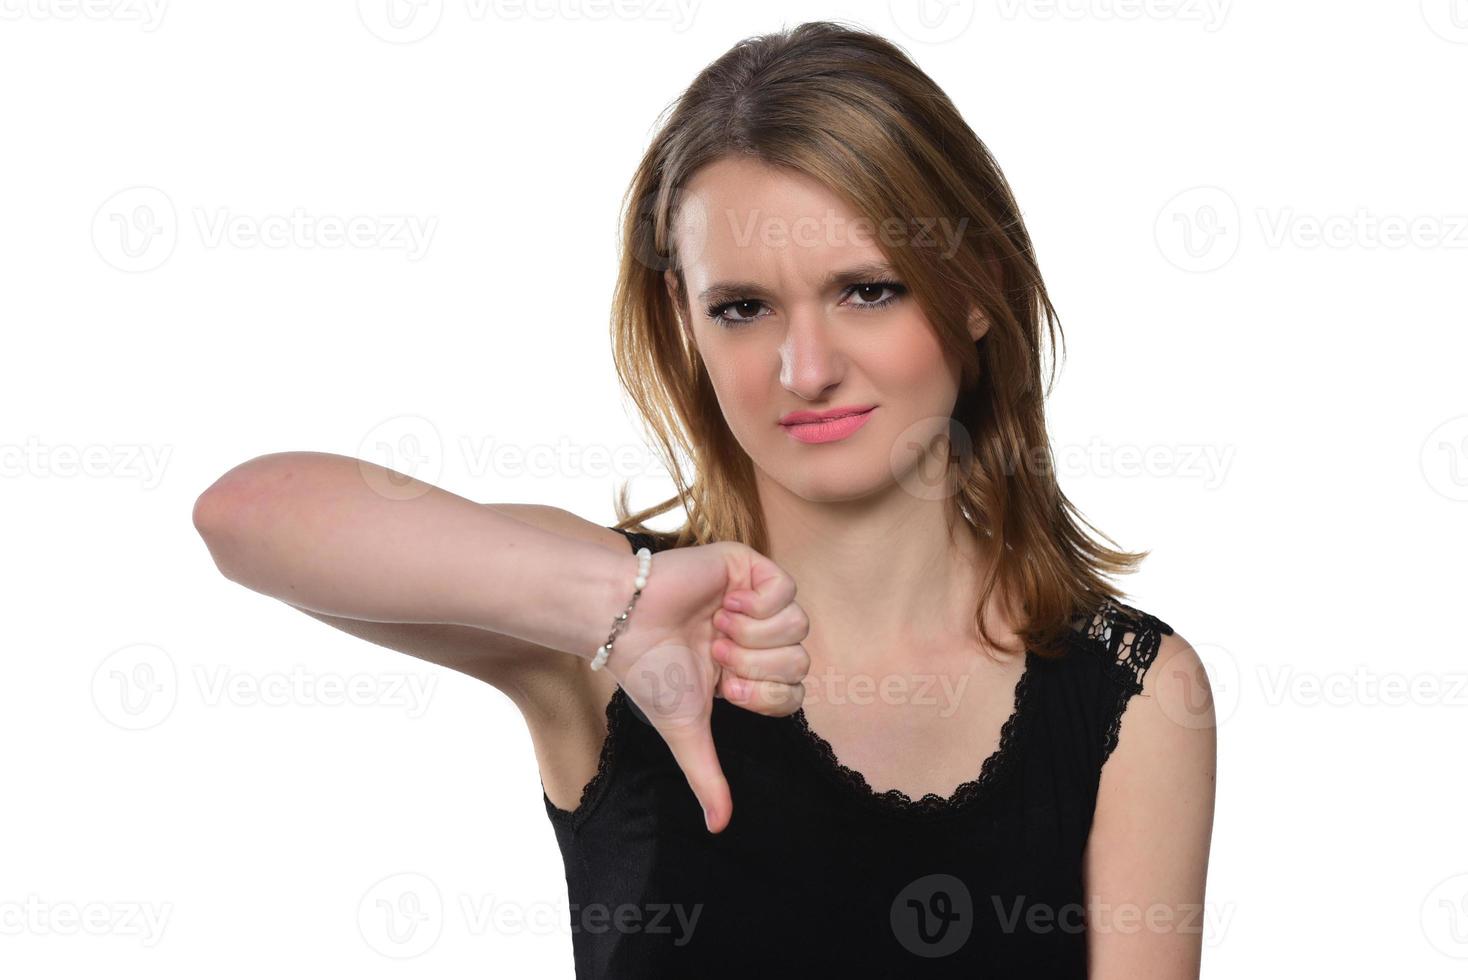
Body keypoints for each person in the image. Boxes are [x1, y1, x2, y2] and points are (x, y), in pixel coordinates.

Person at [193, 19, 1215, 978]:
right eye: (742, 307)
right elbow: (245, 514)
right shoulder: (606, 617)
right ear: (683, 317)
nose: (804, 367)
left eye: (867, 288)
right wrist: (611, 605)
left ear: (980, 284)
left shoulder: (1132, 692)